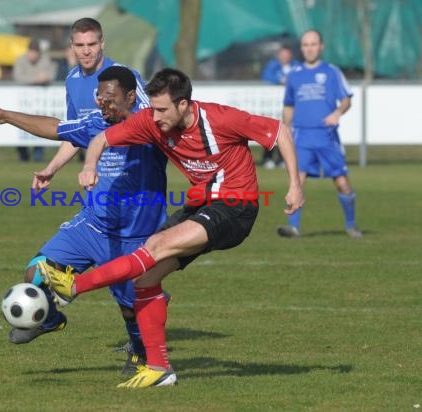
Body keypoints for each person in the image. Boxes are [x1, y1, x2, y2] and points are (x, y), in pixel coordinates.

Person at [39, 68, 305, 388]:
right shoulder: (152, 120)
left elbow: (281, 132)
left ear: (183, 105)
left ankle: (73, 288)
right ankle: (160, 369)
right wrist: (90, 165)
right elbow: (101, 139)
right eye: (153, 108)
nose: (157, 116)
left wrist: (294, 185)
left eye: (163, 109)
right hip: (201, 205)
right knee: (144, 279)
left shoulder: (221, 119)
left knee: (154, 247)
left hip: (236, 207)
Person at [0, 66, 169, 375]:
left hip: (134, 235)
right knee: (36, 271)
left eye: (111, 98)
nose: (104, 104)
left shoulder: (154, 128)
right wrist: (6, 115)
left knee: (130, 307)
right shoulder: (96, 123)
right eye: (100, 97)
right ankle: (49, 318)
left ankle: (141, 354)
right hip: (91, 226)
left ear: (131, 97)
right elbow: (56, 128)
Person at [277, 29, 363, 239]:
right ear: (302, 48)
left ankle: (351, 225)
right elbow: (288, 105)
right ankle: (293, 227)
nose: (309, 48)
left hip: (327, 137)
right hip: (302, 137)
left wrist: (337, 113)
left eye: (313, 44)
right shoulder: (295, 75)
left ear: (321, 46)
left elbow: (346, 99)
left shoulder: (332, 72)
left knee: (342, 183)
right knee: (297, 181)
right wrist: (285, 128)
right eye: (306, 45)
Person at [63, 17, 148, 163]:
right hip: (97, 178)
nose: (86, 51)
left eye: (91, 44)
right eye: (79, 45)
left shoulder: (124, 75)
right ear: (72, 46)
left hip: (132, 173)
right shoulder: (71, 80)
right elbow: (75, 133)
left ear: (102, 43)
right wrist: (51, 168)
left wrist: (116, 111)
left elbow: (150, 121)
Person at [12, 38, 58, 162]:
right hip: (23, 101)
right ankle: (23, 155)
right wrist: (35, 79)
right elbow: (18, 77)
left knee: (41, 126)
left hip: (40, 102)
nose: (32, 55)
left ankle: (38, 155)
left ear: (39, 53)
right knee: (20, 125)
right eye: (31, 52)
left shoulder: (45, 60)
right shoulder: (20, 60)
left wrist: (44, 78)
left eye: (35, 52)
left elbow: (51, 74)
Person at [260, 45, 299, 169]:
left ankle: (283, 159)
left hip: (289, 106)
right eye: (282, 55)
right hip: (273, 105)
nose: (284, 57)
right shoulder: (273, 66)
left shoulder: (296, 66)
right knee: (270, 131)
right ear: (278, 56)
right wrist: (279, 79)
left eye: (287, 55)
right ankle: (268, 158)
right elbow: (266, 76)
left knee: (287, 131)